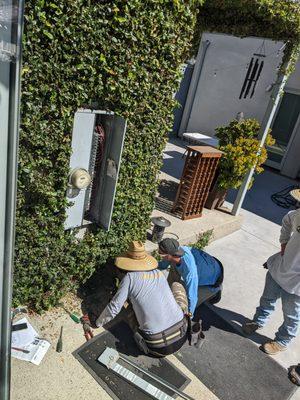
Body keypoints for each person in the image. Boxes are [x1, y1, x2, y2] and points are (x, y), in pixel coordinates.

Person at [93, 241, 188, 356]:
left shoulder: (130, 278)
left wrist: (97, 323)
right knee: (176, 286)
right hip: (182, 334)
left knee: (127, 307)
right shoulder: (158, 273)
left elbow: (114, 307)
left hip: (155, 348)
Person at [243, 189, 300, 355]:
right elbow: (287, 219)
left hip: (296, 283)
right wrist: (284, 242)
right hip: (280, 267)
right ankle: (258, 321)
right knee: (267, 298)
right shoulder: (298, 214)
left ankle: (283, 340)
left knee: (291, 315)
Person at [158, 238, 224, 318]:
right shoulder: (177, 250)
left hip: (214, 279)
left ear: (169, 255)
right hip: (210, 264)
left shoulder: (190, 272)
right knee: (174, 266)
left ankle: (216, 292)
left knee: (187, 302)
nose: (159, 254)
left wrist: (188, 318)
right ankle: (169, 293)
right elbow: (163, 265)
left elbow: (192, 297)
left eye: (160, 254)